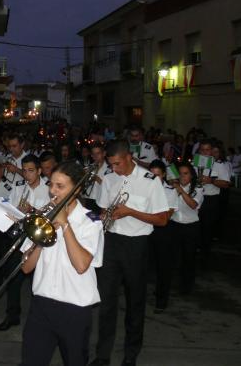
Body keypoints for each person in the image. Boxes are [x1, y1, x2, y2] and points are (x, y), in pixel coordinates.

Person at [89, 139, 170, 366]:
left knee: (135, 301)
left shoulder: (151, 181)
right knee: (106, 301)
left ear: (129, 158)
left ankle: (130, 354)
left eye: (117, 164)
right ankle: (102, 355)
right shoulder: (109, 177)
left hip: (136, 245)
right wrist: (103, 217)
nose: (114, 169)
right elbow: (104, 209)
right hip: (112, 242)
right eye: (111, 164)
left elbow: (162, 219)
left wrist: (130, 212)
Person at [21, 161, 104, 366]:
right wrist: (41, 239)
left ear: (76, 189)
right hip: (42, 304)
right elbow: (26, 267)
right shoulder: (41, 217)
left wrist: (65, 225)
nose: (52, 191)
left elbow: (81, 265)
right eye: (51, 185)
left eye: (60, 186)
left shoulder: (91, 221)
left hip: (75, 309)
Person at [0, 154, 51, 331]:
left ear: (39, 171)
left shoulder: (49, 189)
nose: (27, 175)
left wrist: (32, 211)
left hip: (39, 241)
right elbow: (11, 209)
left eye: (31, 171)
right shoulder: (18, 186)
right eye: (25, 170)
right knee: (12, 278)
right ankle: (12, 315)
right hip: (20, 238)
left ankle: (39, 320)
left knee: (38, 282)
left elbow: (51, 217)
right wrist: (13, 213)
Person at [148, 160, 178, 313]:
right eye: (152, 175)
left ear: (164, 175)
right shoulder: (145, 189)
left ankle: (161, 299)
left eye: (158, 175)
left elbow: (165, 217)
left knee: (163, 267)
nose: (155, 179)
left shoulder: (170, 191)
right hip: (146, 229)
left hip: (163, 230)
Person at [195, 139, 230, 267]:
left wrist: (211, 181)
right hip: (196, 199)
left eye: (207, 150)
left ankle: (205, 258)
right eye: (202, 150)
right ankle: (195, 254)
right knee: (195, 228)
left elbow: (226, 184)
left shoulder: (218, 165)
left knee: (207, 230)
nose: (205, 152)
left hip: (210, 200)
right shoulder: (195, 162)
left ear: (211, 151)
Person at [170, 163, 203, 295]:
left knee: (188, 258)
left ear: (191, 175)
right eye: (181, 173)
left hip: (191, 227)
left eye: (186, 173)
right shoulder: (171, 187)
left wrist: (180, 190)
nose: (183, 176)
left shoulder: (197, 188)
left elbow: (193, 204)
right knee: (174, 256)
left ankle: (186, 286)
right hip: (175, 225)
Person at [82, 142, 108, 213]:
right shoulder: (89, 168)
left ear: (104, 153)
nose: (96, 156)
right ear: (91, 155)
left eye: (98, 153)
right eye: (94, 154)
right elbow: (83, 188)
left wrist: (96, 178)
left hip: (101, 201)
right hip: (89, 200)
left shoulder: (109, 169)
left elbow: (110, 187)